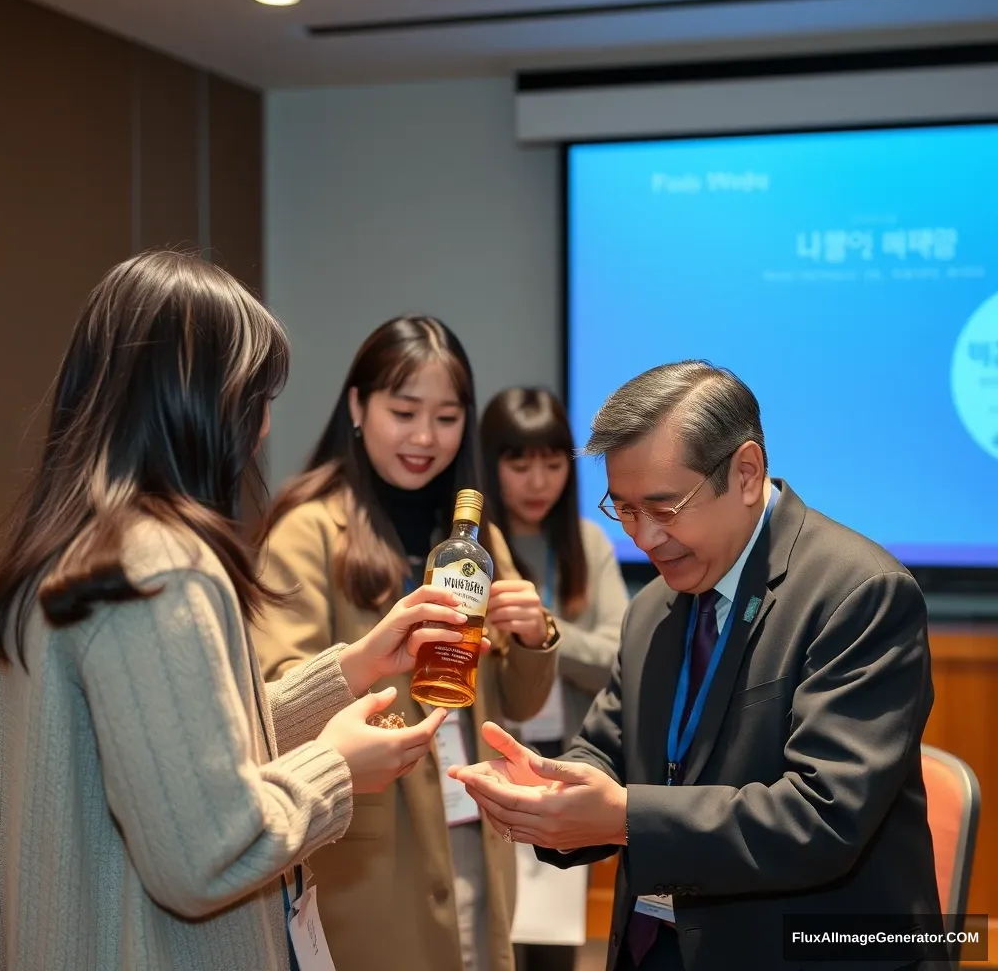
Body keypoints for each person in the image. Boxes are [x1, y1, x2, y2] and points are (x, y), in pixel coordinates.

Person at [0, 252, 479, 971]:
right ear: (197, 401)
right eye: (256, 398)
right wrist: (336, 765)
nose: (265, 428)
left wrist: (354, 667)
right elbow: (206, 850)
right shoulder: (160, 566)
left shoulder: (61, 545)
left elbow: (179, 746)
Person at [451, 360, 947, 971]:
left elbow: (821, 817)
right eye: (625, 510)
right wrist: (549, 789)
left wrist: (625, 818)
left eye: (663, 508)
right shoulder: (652, 608)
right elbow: (606, 748)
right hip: (656, 943)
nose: (644, 538)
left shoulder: (860, 592)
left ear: (745, 473)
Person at [251, 316, 560, 971]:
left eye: (447, 417)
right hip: (367, 852)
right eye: (404, 411)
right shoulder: (309, 529)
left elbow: (515, 702)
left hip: (474, 832)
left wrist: (535, 636)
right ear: (358, 407)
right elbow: (279, 699)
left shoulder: (478, 543)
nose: (425, 437)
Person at [480, 387, 629, 971]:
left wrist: (542, 635)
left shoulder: (587, 544)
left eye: (552, 464)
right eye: (519, 464)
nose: (538, 481)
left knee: (551, 948)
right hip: (484, 754)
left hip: (561, 759)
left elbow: (618, 655)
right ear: (489, 467)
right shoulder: (467, 550)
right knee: (493, 936)